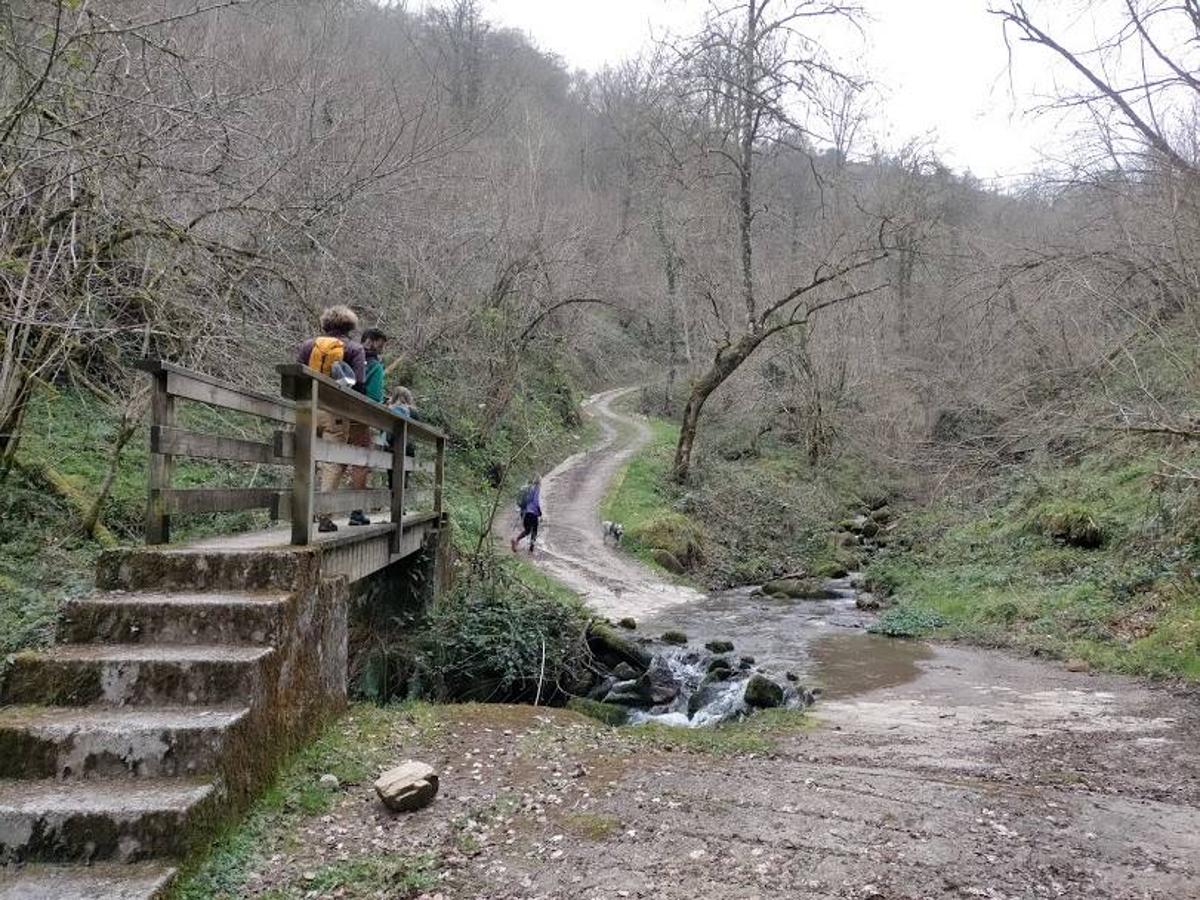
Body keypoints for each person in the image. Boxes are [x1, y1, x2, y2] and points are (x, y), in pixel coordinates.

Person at [295, 305, 368, 533]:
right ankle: (324, 517)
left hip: (307, 408)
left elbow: (298, 374)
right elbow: (360, 384)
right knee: (332, 463)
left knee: (305, 458)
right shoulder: (354, 348)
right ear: (350, 326)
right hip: (335, 412)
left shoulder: (309, 345)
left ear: (325, 324)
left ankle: (299, 512)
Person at [511, 474, 543, 555]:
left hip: (525, 512)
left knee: (528, 530)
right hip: (533, 512)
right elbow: (536, 501)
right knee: (534, 531)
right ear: (539, 481)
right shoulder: (536, 488)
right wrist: (539, 511)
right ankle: (531, 550)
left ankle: (516, 540)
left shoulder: (528, 488)